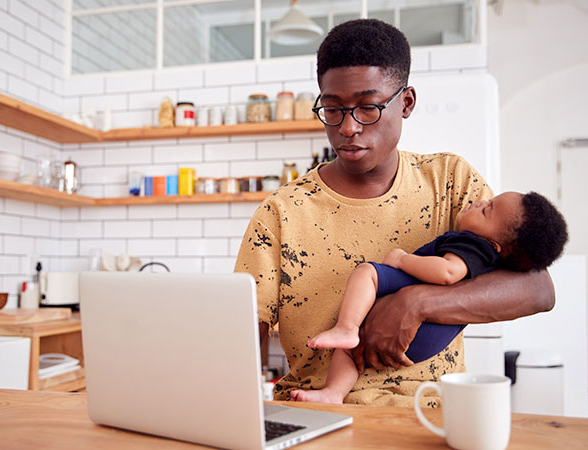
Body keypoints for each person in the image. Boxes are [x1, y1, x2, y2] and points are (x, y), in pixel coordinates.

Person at [234, 18, 557, 407]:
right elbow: (241, 339)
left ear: (406, 103)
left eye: (368, 107)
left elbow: (538, 289)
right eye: (332, 109)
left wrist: (416, 303)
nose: (348, 127)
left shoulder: (451, 182)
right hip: (314, 414)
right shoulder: (281, 213)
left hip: (429, 417)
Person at [291, 191, 567, 403]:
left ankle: (346, 327)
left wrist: (402, 261)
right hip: (429, 341)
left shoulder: (473, 244)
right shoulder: (492, 248)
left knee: (368, 273)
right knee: (351, 351)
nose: (480, 200)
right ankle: (334, 393)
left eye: (487, 210)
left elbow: (447, 272)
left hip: (422, 328)